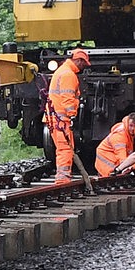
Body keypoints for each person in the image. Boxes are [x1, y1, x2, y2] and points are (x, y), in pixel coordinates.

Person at [46, 48, 90, 181]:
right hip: (61, 119)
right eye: (84, 63)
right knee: (65, 149)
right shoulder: (68, 75)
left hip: (56, 118)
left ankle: (63, 178)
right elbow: (67, 97)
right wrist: (72, 115)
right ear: (78, 60)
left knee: (63, 148)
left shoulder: (62, 71)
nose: (84, 66)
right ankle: (62, 180)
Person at [93, 111, 135, 176]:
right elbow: (121, 154)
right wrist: (126, 167)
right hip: (106, 160)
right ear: (127, 123)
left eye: (134, 126)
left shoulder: (132, 135)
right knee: (111, 177)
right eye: (131, 125)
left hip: (113, 160)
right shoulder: (120, 135)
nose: (132, 129)